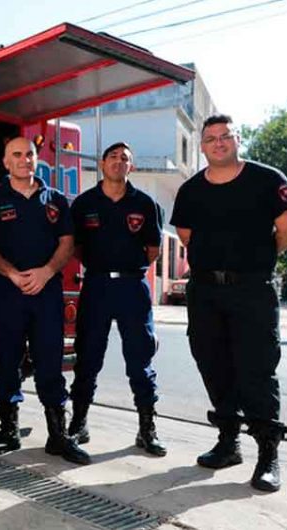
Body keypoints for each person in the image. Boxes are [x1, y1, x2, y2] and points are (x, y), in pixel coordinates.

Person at [171, 114, 287, 492]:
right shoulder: (192, 189)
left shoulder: (267, 179)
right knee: (213, 365)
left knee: (257, 370)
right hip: (205, 292)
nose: (218, 143)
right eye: (210, 138)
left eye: (225, 136)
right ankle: (228, 442)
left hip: (252, 291)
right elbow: (186, 236)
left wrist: (255, 258)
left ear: (237, 139)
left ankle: (268, 455)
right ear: (202, 146)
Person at [0, 137, 89, 465]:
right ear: (6, 162)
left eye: (30, 155)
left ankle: (58, 435)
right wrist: (10, 273)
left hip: (45, 292)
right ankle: (8, 430)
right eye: (17, 155)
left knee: (50, 361)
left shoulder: (56, 200)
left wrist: (47, 271)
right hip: (6, 292)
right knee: (6, 359)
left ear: (37, 160)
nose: (24, 160)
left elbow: (67, 241)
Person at [67, 142, 167, 462]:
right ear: (102, 164)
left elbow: (153, 250)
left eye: (124, 158)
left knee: (140, 359)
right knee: (88, 357)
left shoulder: (145, 204)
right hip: (96, 286)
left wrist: (126, 268)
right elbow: (77, 248)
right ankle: (78, 423)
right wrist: (102, 268)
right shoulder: (84, 203)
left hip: (132, 288)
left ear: (131, 167)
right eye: (112, 157)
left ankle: (146, 428)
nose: (118, 162)